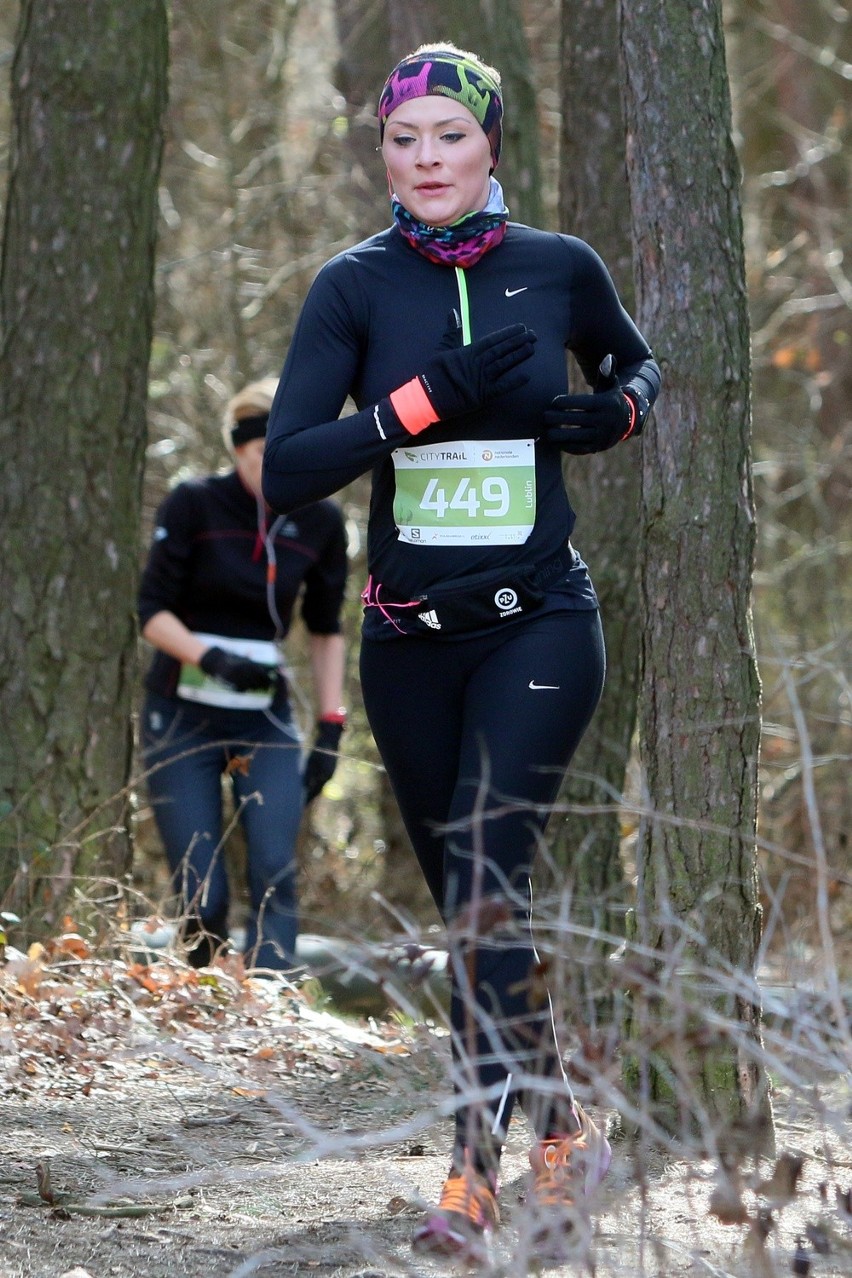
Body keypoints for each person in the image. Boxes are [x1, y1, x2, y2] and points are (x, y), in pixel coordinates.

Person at [262, 43, 660, 1259]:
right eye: (404, 139)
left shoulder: (559, 267)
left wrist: (619, 410)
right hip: (407, 644)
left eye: (450, 135)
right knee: (472, 910)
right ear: (382, 154)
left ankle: (469, 1175)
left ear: (492, 144)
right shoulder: (355, 286)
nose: (427, 159)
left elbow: (632, 356)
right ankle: (563, 1131)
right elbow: (289, 465)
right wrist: (418, 406)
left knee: (489, 879)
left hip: (541, 623)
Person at [139, 378, 348, 972]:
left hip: (263, 715)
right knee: (204, 895)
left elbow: (327, 628)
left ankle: (275, 1008)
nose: (275, 472)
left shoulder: (321, 522)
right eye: (263, 458)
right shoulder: (193, 504)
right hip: (181, 713)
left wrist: (332, 727)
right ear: (238, 450)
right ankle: (201, 997)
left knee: (273, 868)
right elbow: (151, 611)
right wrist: (208, 658)